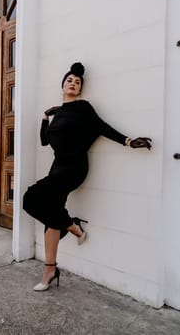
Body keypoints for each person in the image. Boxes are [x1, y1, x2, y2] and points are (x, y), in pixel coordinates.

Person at [23, 62, 152, 291]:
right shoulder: (58, 113)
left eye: (77, 82)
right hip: (57, 168)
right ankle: (50, 269)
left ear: (80, 89)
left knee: (31, 198)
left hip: (74, 167)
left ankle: (73, 227)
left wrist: (129, 141)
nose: (73, 83)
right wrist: (45, 116)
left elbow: (102, 127)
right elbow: (44, 141)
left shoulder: (83, 107)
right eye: (69, 80)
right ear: (62, 85)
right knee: (53, 215)